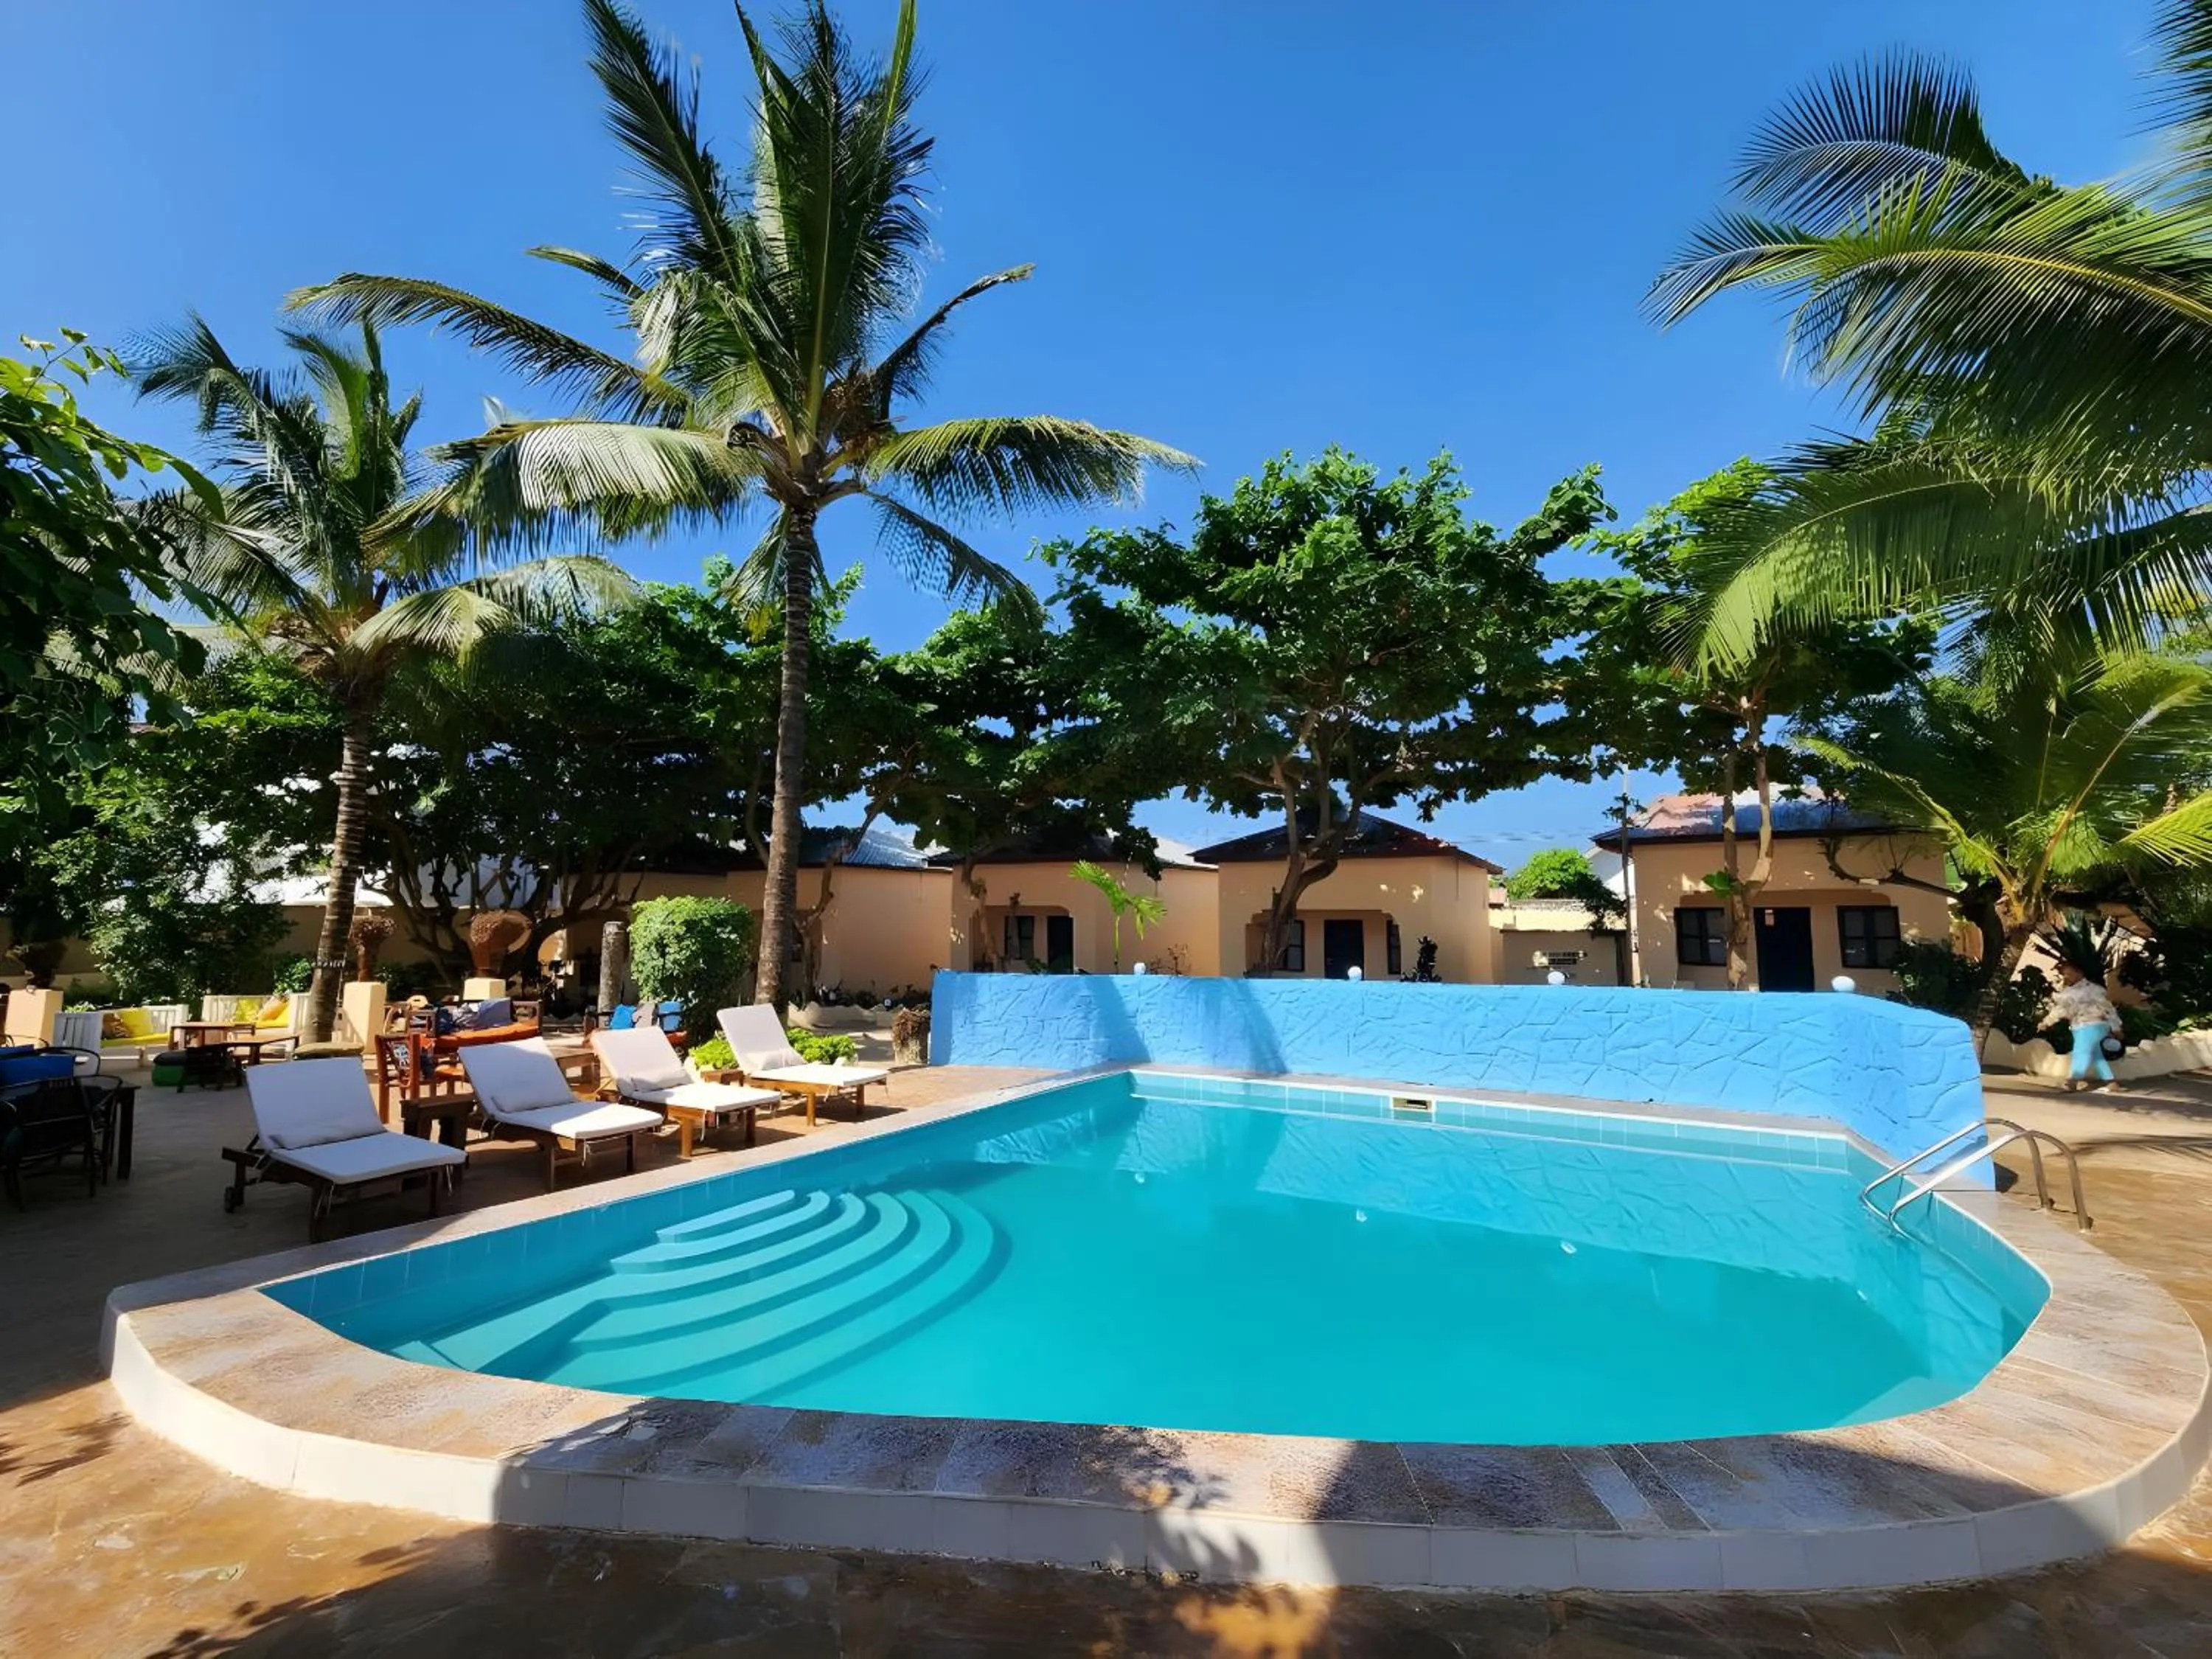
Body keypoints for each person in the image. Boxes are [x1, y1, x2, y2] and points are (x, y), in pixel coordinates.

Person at [2049, 961, 2124, 1093]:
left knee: (2080, 1052)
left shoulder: (2094, 990)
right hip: (2078, 1027)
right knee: (2096, 1055)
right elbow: (2061, 1010)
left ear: (2079, 973)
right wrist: (2047, 1022)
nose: (2067, 976)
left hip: (2095, 1024)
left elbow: (2108, 1009)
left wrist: (2116, 1027)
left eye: (2069, 973)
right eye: (2065, 974)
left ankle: (2072, 1082)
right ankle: (2111, 1083)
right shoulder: (2068, 992)